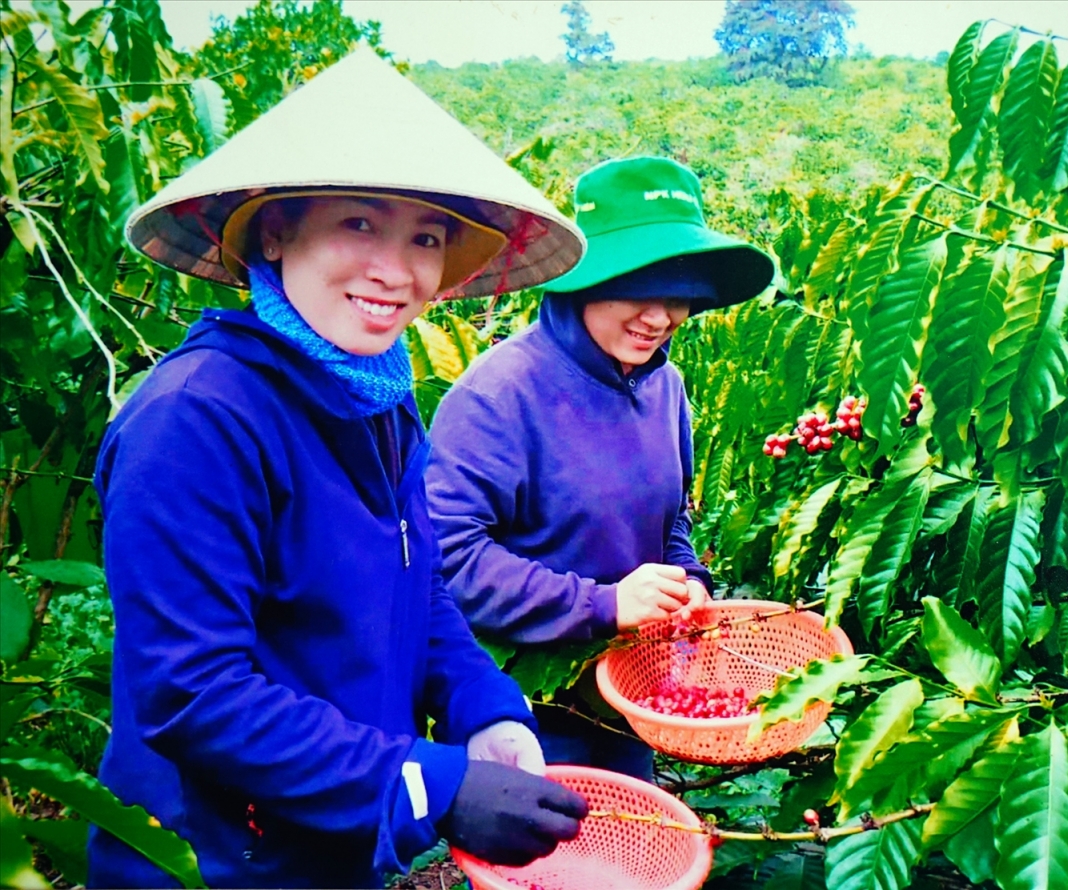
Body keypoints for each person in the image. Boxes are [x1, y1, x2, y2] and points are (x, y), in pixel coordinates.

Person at [88, 49, 590, 889]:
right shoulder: (198, 419)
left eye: (425, 237)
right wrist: (430, 784)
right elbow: (193, 693)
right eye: (359, 224)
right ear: (276, 234)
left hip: (330, 843)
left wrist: (482, 708)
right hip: (216, 860)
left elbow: (418, 584)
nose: (396, 271)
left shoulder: (379, 400)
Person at [425, 156, 775, 778]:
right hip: (525, 704)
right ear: (583, 281)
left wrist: (686, 580)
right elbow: (448, 558)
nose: (659, 318)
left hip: (630, 689)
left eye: (680, 298)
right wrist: (603, 604)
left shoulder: (666, 386)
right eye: (638, 290)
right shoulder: (500, 394)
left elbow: (670, 521)